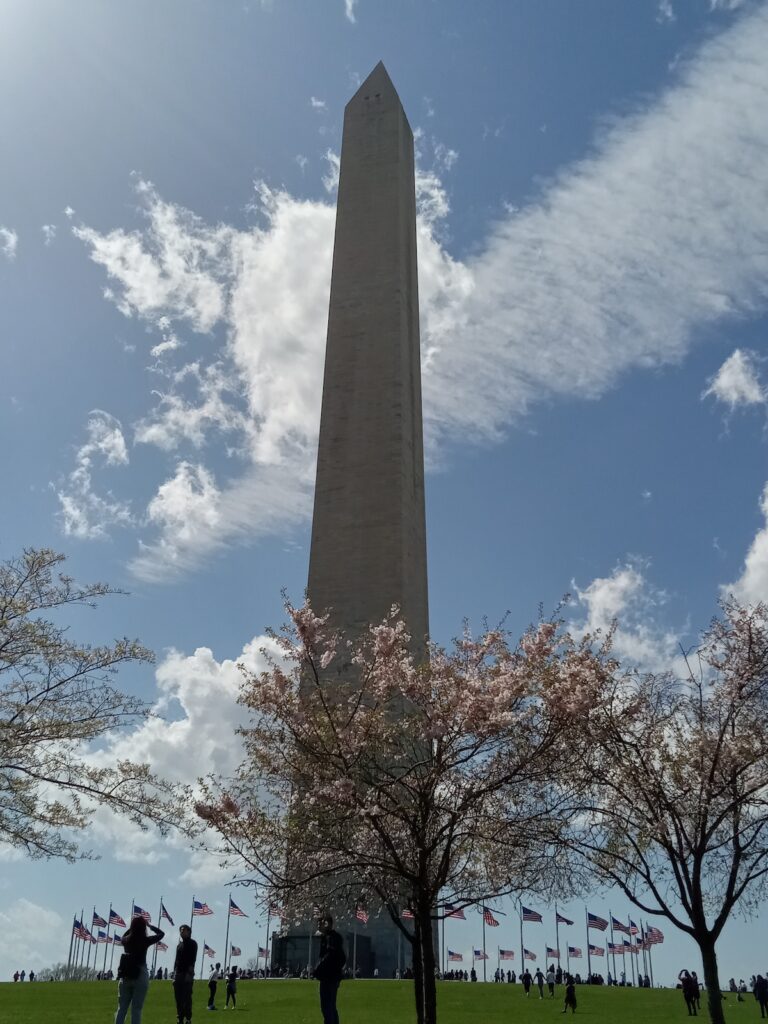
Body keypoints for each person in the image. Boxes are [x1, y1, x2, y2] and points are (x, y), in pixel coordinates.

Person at [114, 916, 165, 1024]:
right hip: (140, 973)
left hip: (126, 974)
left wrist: (131, 928)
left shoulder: (126, 940)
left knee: (121, 1009)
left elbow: (122, 936)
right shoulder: (145, 940)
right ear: (143, 927)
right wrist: (150, 926)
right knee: (136, 1010)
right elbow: (161, 934)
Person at [314, 914, 345, 1024]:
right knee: (331, 1006)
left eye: (321, 923)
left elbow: (331, 955)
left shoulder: (331, 938)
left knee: (327, 1007)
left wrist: (319, 968)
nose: (318, 926)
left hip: (329, 976)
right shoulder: (331, 938)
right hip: (332, 976)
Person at [173, 924, 198, 1024]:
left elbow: (193, 959)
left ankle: (188, 1018)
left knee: (187, 997)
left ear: (189, 932)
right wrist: (174, 974)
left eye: (183, 930)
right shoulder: (179, 945)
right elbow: (176, 961)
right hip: (178, 974)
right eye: (180, 930)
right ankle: (180, 1018)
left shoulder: (193, 944)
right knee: (178, 998)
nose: (181, 932)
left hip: (187, 973)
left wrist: (189, 973)